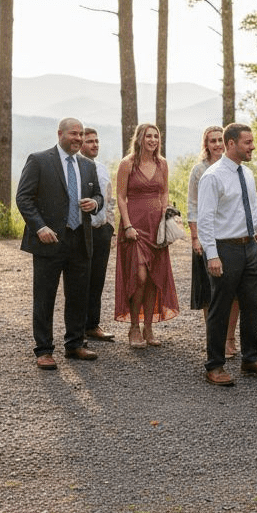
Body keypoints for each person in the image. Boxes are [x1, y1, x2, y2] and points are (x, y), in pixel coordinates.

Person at [15, 117, 104, 370]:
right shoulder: (39, 160)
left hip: (80, 239)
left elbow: (98, 194)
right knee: (45, 297)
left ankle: (75, 344)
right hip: (49, 240)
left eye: (81, 134)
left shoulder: (87, 165)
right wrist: (39, 227)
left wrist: (95, 203)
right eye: (74, 134)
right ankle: (43, 350)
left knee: (78, 295)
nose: (78, 138)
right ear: (60, 134)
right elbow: (23, 198)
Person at [197, 123, 257, 386]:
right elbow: (205, 220)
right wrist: (212, 255)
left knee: (252, 304)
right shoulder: (213, 176)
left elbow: (254, 209)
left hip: (248, 248)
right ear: (231, 144)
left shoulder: (247, 174)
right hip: (224, 248)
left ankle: (251, 359)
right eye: (248, 142)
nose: (252, 146)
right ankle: (215, 365)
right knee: (220, 308)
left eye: (252, 142)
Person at [114, 123, 181, 348]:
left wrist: (167, 217)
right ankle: (134, 326)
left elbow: (164, 193)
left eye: (156, 136)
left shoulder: (162, 164)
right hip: (135, 227)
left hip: (156, 227)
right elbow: (121, 197)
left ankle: (149, 328)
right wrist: (127, 225)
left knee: (154, 278)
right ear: (140, 138)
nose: (153, 140)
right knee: (139, 277)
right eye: (148, 136)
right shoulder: (127, 164)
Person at [188, 126, 239, 357]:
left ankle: (229, 338)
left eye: (220, 140)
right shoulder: (200, 170)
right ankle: (213, 338)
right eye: (212, 141)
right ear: (206, 145)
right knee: (210, 292)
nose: (217, 144)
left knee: (234, 292)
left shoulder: (235, 168)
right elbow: (192, 206)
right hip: (208, 238)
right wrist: (196, 238)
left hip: (232, 237)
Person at [81, 127, 116, 343]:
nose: (95, 144)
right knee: (80, 281)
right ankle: (76, 330)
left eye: (96, 141)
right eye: (90, 141)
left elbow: (109, 200)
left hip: (102, 231)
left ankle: (92, 325)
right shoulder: (75, 168)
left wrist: (110, 228)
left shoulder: (102, 169)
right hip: (82, 232)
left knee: (97, 280)